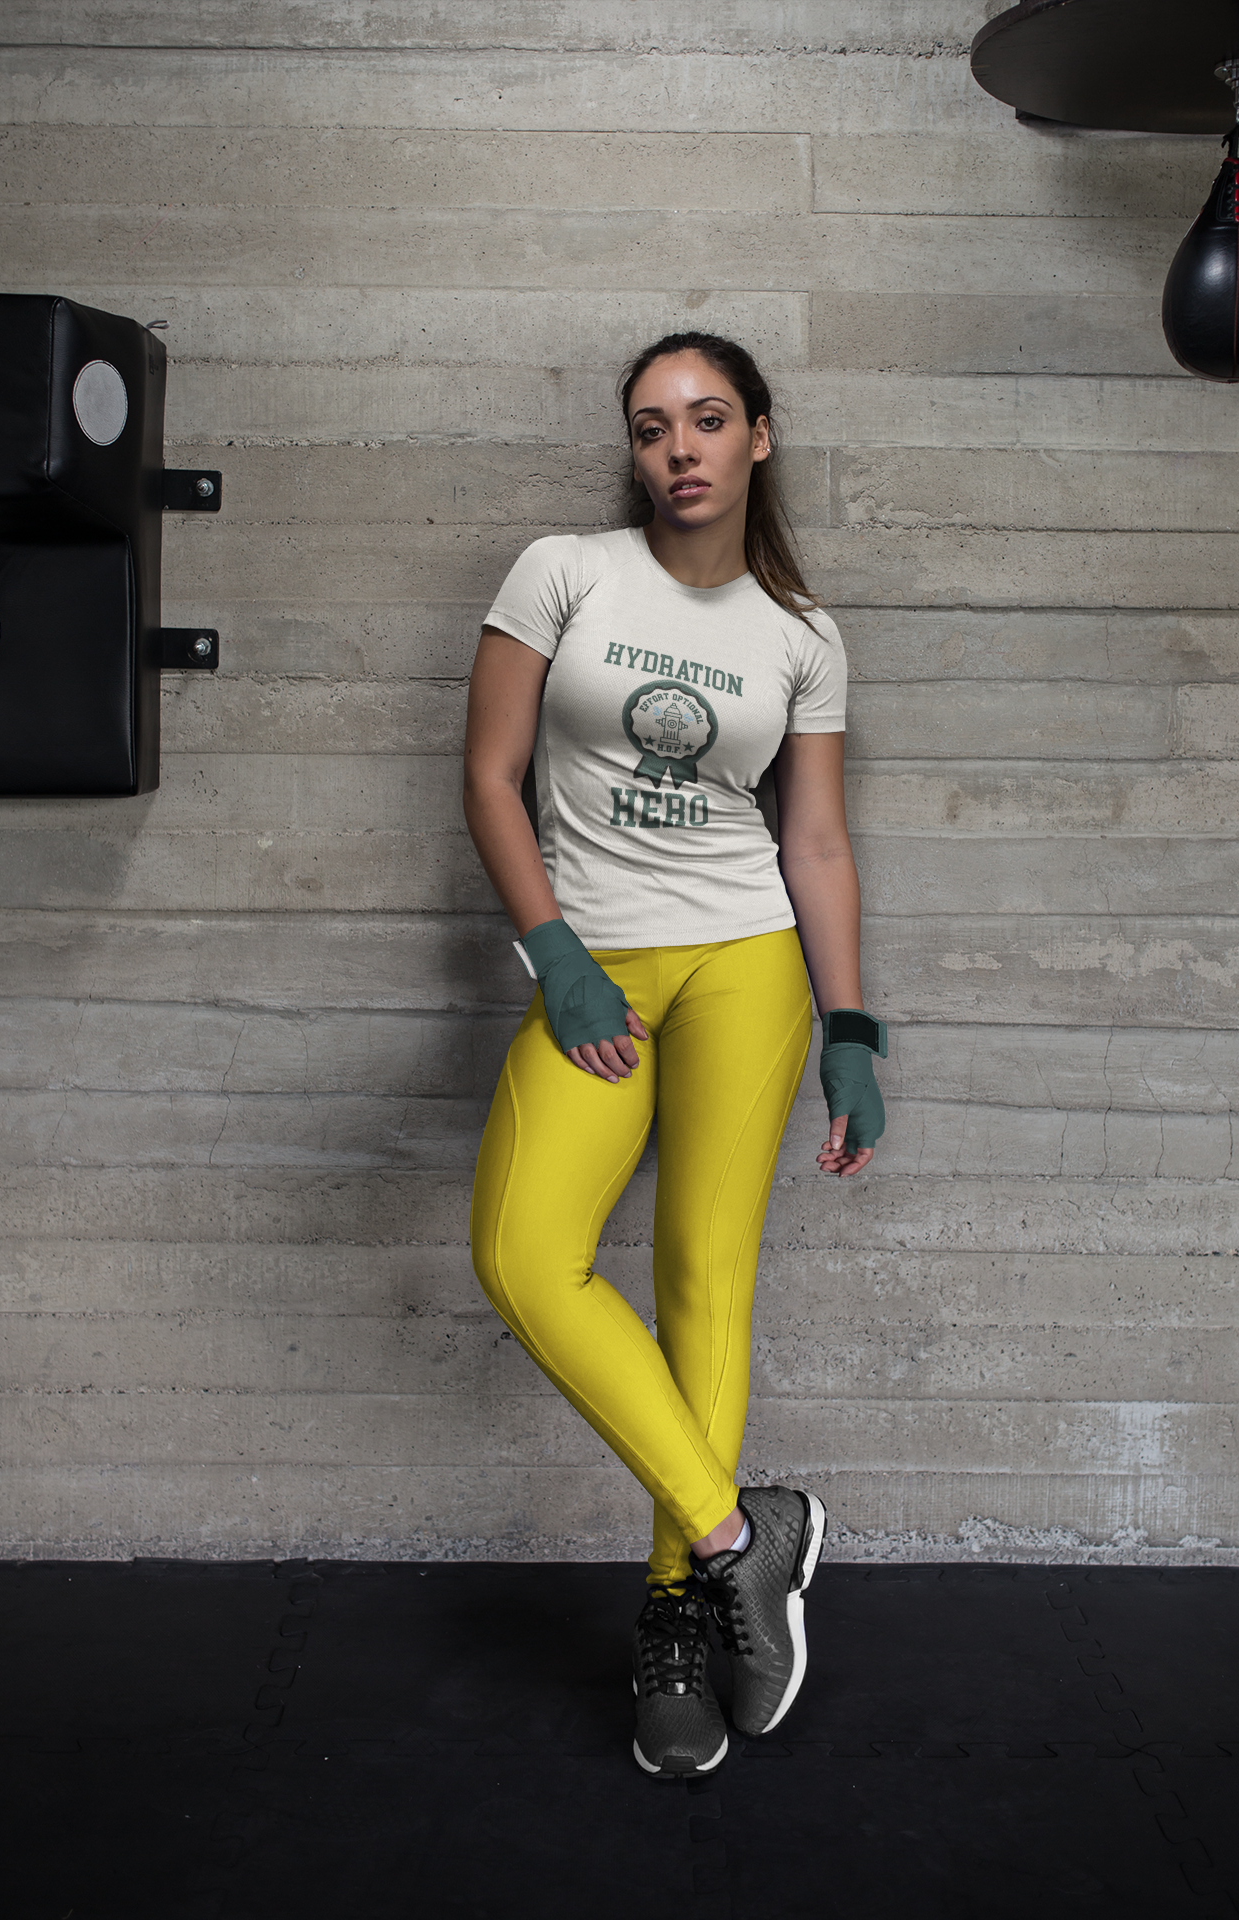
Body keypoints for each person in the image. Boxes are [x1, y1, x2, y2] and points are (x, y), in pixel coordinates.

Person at [463, 331, 887, 1777]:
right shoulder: (564, 572)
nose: (680, 449)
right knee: (527, 1256)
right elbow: (487, 775)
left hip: (748, 966)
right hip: (598, 966)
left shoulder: (803, 632)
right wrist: (556, 956)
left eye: (709, 420)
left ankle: (673, 1627)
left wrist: (852, 1032)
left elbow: (815, 839)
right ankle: (737, 1542)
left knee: (706, 1279)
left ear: (759, 437)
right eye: (653, 429)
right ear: (633, 451)